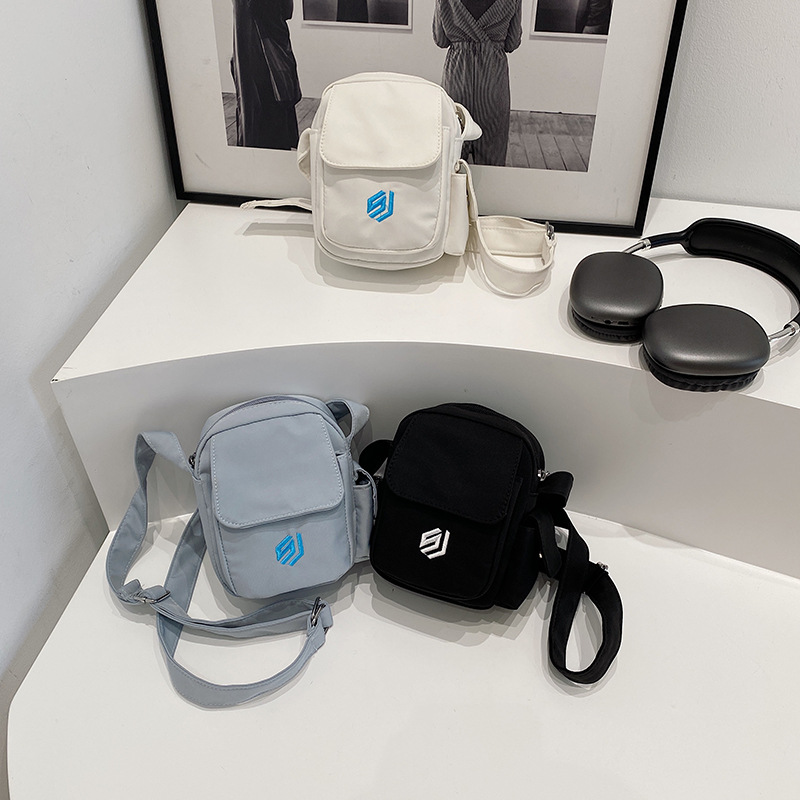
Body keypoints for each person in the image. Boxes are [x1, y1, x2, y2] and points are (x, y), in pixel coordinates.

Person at [433, 0, 522, 167]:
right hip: (493, 78)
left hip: (458, 76)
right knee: (492, 155)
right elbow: (512, 42)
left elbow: (440, 39)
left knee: (453, 155)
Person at [230, 0, 302, 149]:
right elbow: (287, 12)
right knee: (272, 101)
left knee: (256, 104)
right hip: (266, 47)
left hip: (250, 50)